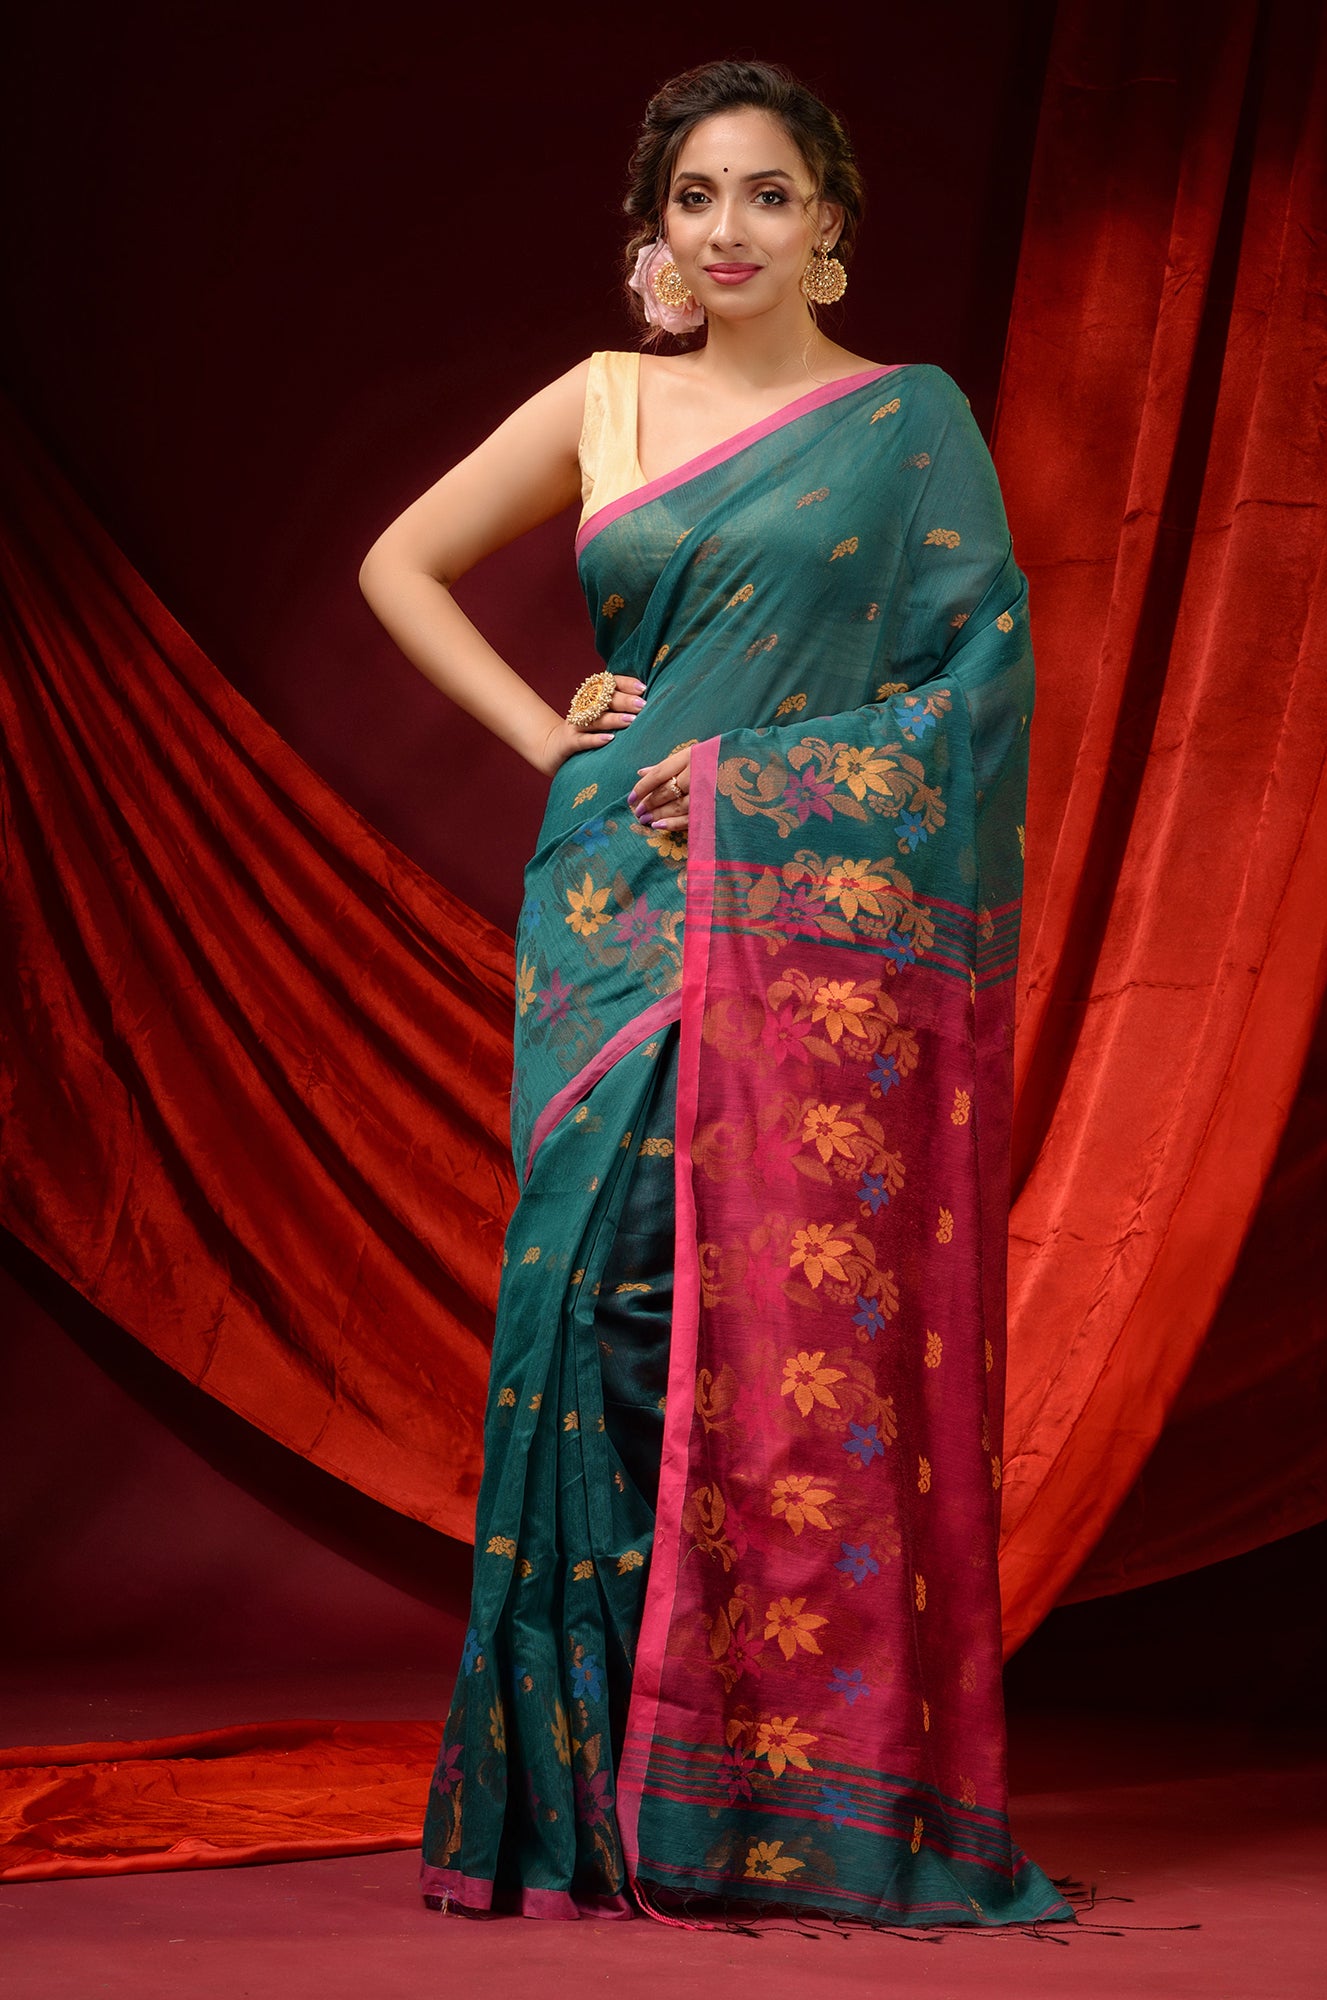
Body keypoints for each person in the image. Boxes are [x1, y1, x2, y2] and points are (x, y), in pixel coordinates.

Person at [359, 56, 1071, 1931]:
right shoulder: (605, 398)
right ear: (657, 229)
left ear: (829, 219)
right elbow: (399, 563)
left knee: (735, 1317)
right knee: (589, 1308)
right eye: (695, 197)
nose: (728, 229)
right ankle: (586, 1791)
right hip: (608, 908)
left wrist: (765, 785)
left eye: (766, 193)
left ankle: (750, 1783)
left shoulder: (910, 421)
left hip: (800, 917)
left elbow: (977, 697)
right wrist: (549, 734)